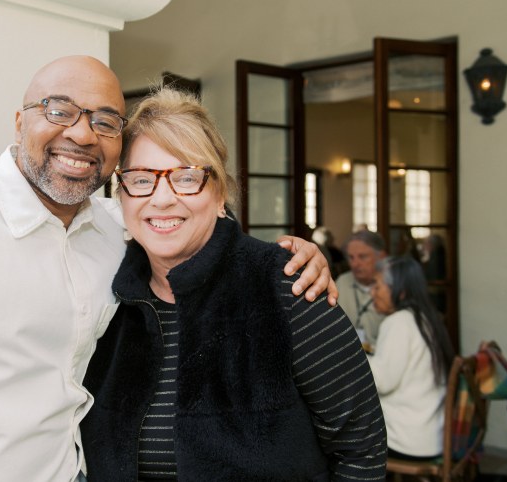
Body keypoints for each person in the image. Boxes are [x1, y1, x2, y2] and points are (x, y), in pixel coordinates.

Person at [0, 56, 336, 481]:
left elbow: (191, 215)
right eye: (58, 110)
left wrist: (288, 259)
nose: (83, 135)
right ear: (19, 121)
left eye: (106, 121)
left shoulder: (117, 227)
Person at [80, 88, 387, 480]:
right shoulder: (108, 296)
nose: (161, 198)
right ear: (121, 194)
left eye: (187, 177)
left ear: (220, 193)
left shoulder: (286, 287)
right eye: (142, 180)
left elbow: (361, 450)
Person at [367, 255, 456, 461]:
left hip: (404, 439)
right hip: (429, 435)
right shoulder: (426, 318)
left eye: (377, 286)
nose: (372, 293)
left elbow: (382, 381)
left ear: (401, 291)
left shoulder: (399, 322)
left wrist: (352, 356)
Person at [336, 229, 388, 348]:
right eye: (351, 257)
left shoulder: (391, 286)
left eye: (362, 257)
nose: (355, 264)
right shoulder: (341, 282)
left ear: (381, 256)